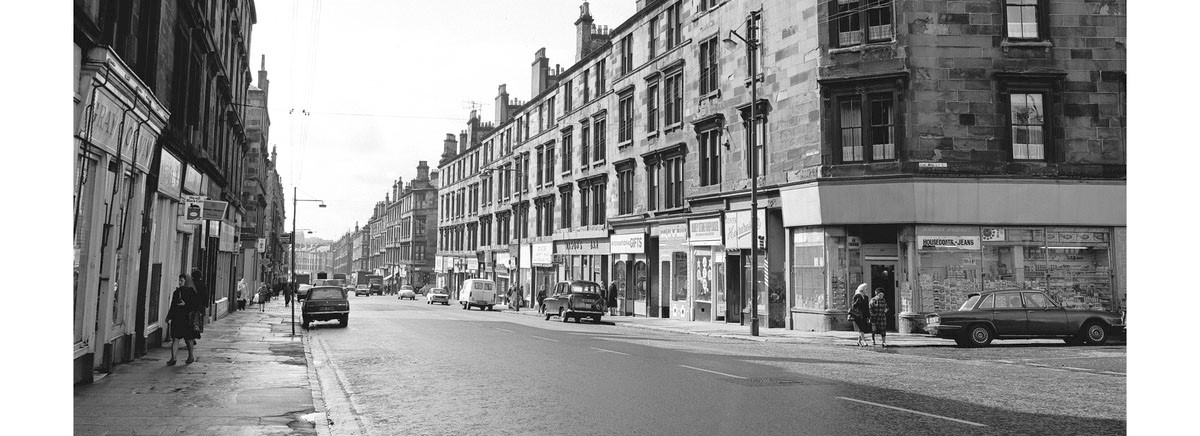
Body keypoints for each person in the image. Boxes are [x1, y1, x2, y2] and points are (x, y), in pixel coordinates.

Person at [167, 274, 201, 365]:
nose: (179, 282)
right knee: (176, 339)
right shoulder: (176, 292)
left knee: (188, 339)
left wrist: (186, 305)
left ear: (186, 281)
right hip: (177, 319)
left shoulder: (191, 292)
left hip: (187, 320)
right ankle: (173, 358)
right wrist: (169, 316)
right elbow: (173, 306)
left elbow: (196, 306)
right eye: (179, 280)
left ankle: (190, 356)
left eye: (181, 281)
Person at [190, 269, 208, 333]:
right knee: (200, 316)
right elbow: (205, 295)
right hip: (200, 304)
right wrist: (206, 304)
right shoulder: (202, 284)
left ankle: (192, 328)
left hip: (192, 303)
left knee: (192, 316)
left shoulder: (191, 283)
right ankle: (200, 328)